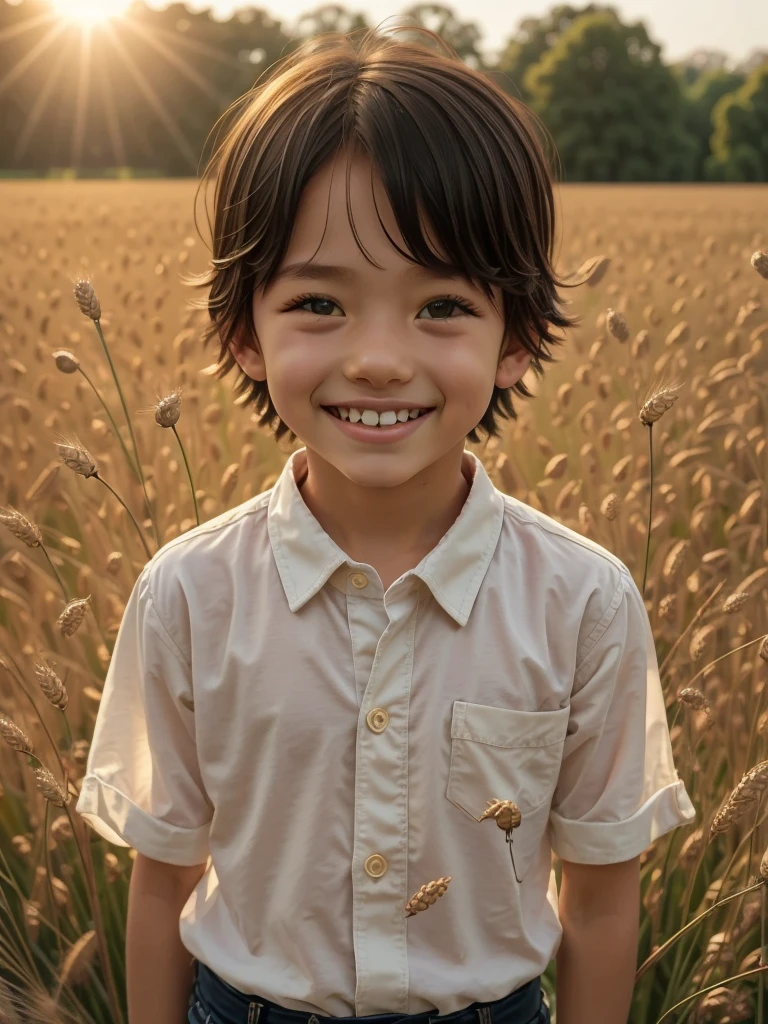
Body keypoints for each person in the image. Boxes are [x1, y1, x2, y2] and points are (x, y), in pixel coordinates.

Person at [75, 24, 696, 1024]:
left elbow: (602, 896)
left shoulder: (585, 601)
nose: (376, 357)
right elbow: (162, 881)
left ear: (517, 340)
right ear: (244, 331)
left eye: (440, 305)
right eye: (320, 300)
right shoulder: (188, 593)